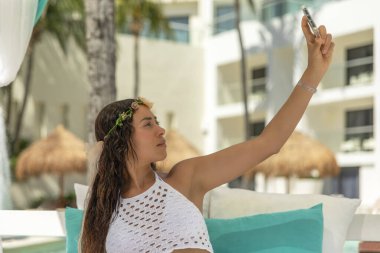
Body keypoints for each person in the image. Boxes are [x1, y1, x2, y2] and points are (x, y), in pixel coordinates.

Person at [80, 15, 334, 253]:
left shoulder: (186, 178)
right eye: (148, 124)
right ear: (120, 140)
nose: (161, 129)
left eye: (156, 122)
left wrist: (314, 72)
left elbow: (269, 143)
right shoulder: (102, 213)